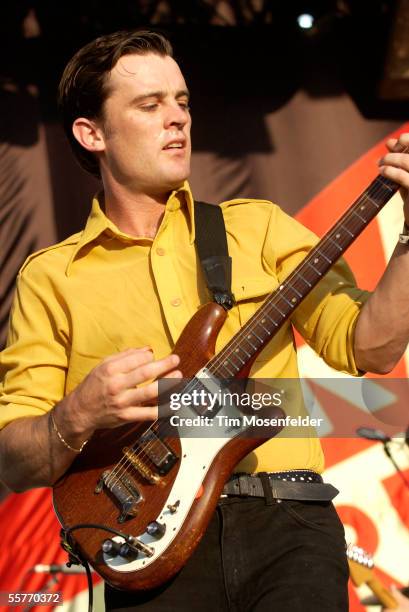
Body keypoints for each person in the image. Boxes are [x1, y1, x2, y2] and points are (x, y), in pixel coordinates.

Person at [0, 29, 409, 611]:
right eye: (150, 105)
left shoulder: (259, 228)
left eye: (182, 101)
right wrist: (77, 412)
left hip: (288, 522)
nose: (178, 119)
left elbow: (370, 349)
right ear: (92, 133)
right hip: (147, 544)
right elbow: (14, 458)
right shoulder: (52, 277)